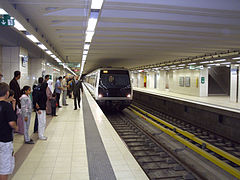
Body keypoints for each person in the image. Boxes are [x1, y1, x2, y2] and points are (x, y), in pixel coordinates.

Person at [0, 82, 18, 180]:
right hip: (5, 140)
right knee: (4, 168)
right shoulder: (7, 106)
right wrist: (16, 127)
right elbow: (12, 123)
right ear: (7, 93)